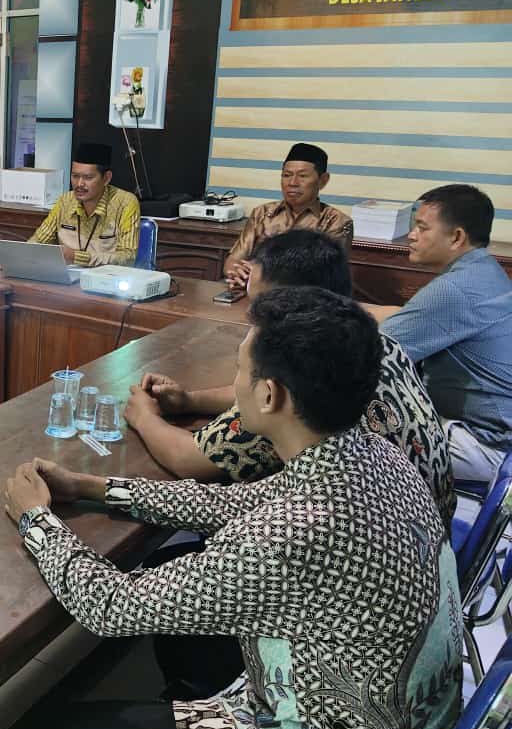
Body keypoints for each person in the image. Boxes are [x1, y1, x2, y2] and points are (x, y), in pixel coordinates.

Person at [4, 287, 461, 729]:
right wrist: (92, 486)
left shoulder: (291, 536)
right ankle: (186, 696)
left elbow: (110, 606)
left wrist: (36, 520)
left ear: (268, 394)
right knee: (176, 583)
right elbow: (228, 503)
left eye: (240, 369)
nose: (235, 383)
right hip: (409, 721)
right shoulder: (371, 453)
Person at [124, 228, 455, 531]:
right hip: (426, 528)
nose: (253, 319)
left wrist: (143, 416)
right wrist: (191, 400)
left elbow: (188, 459)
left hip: (367, 535)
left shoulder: (305, 380)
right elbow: (261, 394)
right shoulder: (373, 341)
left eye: (261, 307)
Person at [380, 184, 512, 484]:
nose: (411, 235)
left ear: (456, 237)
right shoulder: (483, 270)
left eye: (422, 227)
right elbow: (404, 318)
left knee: (352, 437)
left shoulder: (454, 290)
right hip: (497, 435)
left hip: (485, 445)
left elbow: (373, 349)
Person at [223, 143, 353, 290]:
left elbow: (323, 276)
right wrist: (237, 272)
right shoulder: (262, 214)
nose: (292, 183)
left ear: (323, 180)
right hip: (254, 293)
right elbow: (233, 260)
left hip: (306, 298)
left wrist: (261, 273)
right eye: (286, 175)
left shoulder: (336, 222)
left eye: (302, 176)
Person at [28, 142, 140, 266]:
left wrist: (78, 257)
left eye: (88, 177)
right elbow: (37, 241)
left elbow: (128, 257)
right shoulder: (65, 201)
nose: (79, 184)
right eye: (75, 176)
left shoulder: (125, 203)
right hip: (67, 275)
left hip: (105, 276)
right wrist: (25, 253)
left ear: (106, 178)